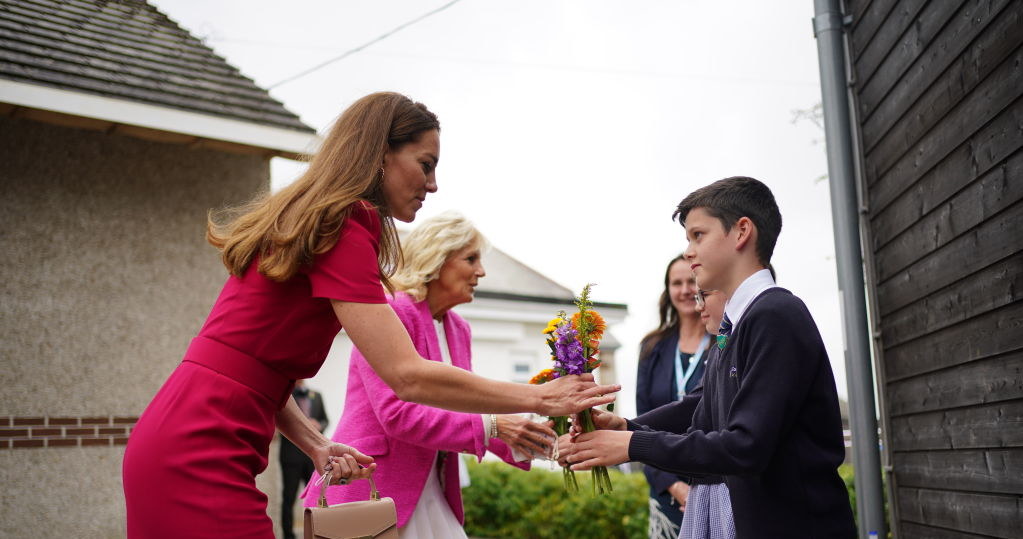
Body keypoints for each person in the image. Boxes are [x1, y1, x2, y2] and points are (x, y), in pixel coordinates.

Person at [121, 92, 619, 539]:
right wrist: (540, 396)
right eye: (425, 163)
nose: (434, 183)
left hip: (182, 437)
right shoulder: (344, 222)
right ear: (381, 153)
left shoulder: (317, 221)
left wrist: (317, 444)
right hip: (197, 451)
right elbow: (406, 377)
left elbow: (257, 374)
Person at [562, 177, 855, 538]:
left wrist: (632, 445)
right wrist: (626, 427)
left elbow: (745, 446)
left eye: (697, 235)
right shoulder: (732, 327)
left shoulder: (776, 314)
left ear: (741, 232)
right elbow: (700, 407)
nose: (688, 252)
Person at [304, 211, 556, 538]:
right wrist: (496, 424)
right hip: (374, 485)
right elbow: (397, 415)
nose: (481, 271)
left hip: (433, 488)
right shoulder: (391, 312)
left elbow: (469, 410)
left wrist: (542, 442)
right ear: (437, 258)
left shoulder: (458, 329)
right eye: (470, 258)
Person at [636, 254, 713, 538]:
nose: (685, 290)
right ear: (667, 291)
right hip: (666, 491)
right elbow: (642, 424)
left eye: (691, 281)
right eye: (676, 283)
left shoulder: (723, 340)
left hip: (714, 484)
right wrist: (676, 487)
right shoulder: (652, 348)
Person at [279, 380, 328, 539]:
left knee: (317, 495)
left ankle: (319, 532)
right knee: (289, 497)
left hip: (313, 458)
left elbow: (325, 419)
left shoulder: (317, 396)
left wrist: (319, 425)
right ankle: (288, 535)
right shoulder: (284, 394)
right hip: (290, 457)